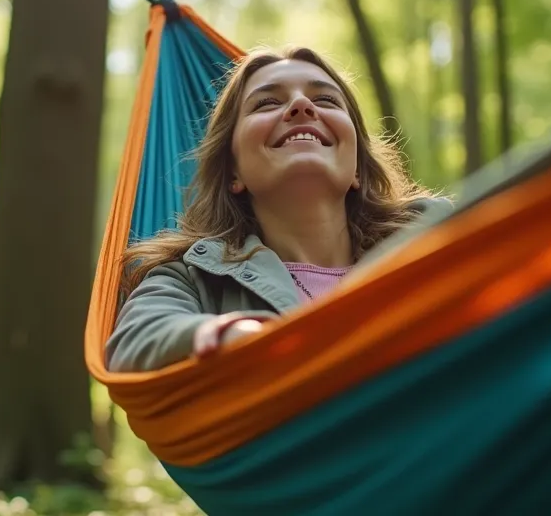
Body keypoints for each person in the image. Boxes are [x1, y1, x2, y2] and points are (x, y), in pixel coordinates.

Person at [105, 46, 453, 373]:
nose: (302, 106)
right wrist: (223, 335)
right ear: (233, 172)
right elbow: (133, 339)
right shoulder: (193, 279)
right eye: (267, 103)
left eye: (326, 99)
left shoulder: (437, 236)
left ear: (358, 169)